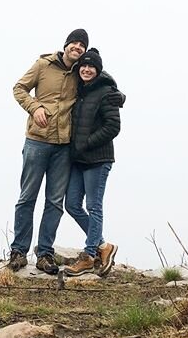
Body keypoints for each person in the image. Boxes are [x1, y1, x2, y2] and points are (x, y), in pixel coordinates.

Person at [8, 29, 89, 275]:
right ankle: (18, 252)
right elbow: (19, 88)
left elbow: (101, 81)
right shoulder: (43, 65)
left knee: (55, 202)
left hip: (64, 146)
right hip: (37, 141)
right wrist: (35, 108)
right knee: (27, 197)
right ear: (66, 45)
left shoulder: (81, 72)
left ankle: (44, 254)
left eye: (82, 45)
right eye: (74, 43)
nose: (77, 47)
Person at [63, 48, 121, 277]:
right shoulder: (79, 91)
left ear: (98, 70)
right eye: (83, 66)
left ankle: (88, 256)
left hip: (98, 159)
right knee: (72, 205)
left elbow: (113, 126)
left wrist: (87, 143)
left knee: (94, 207)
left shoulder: (107, 92)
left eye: (92, 67)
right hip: (79, 160)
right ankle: (104, 246)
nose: (87, 69)